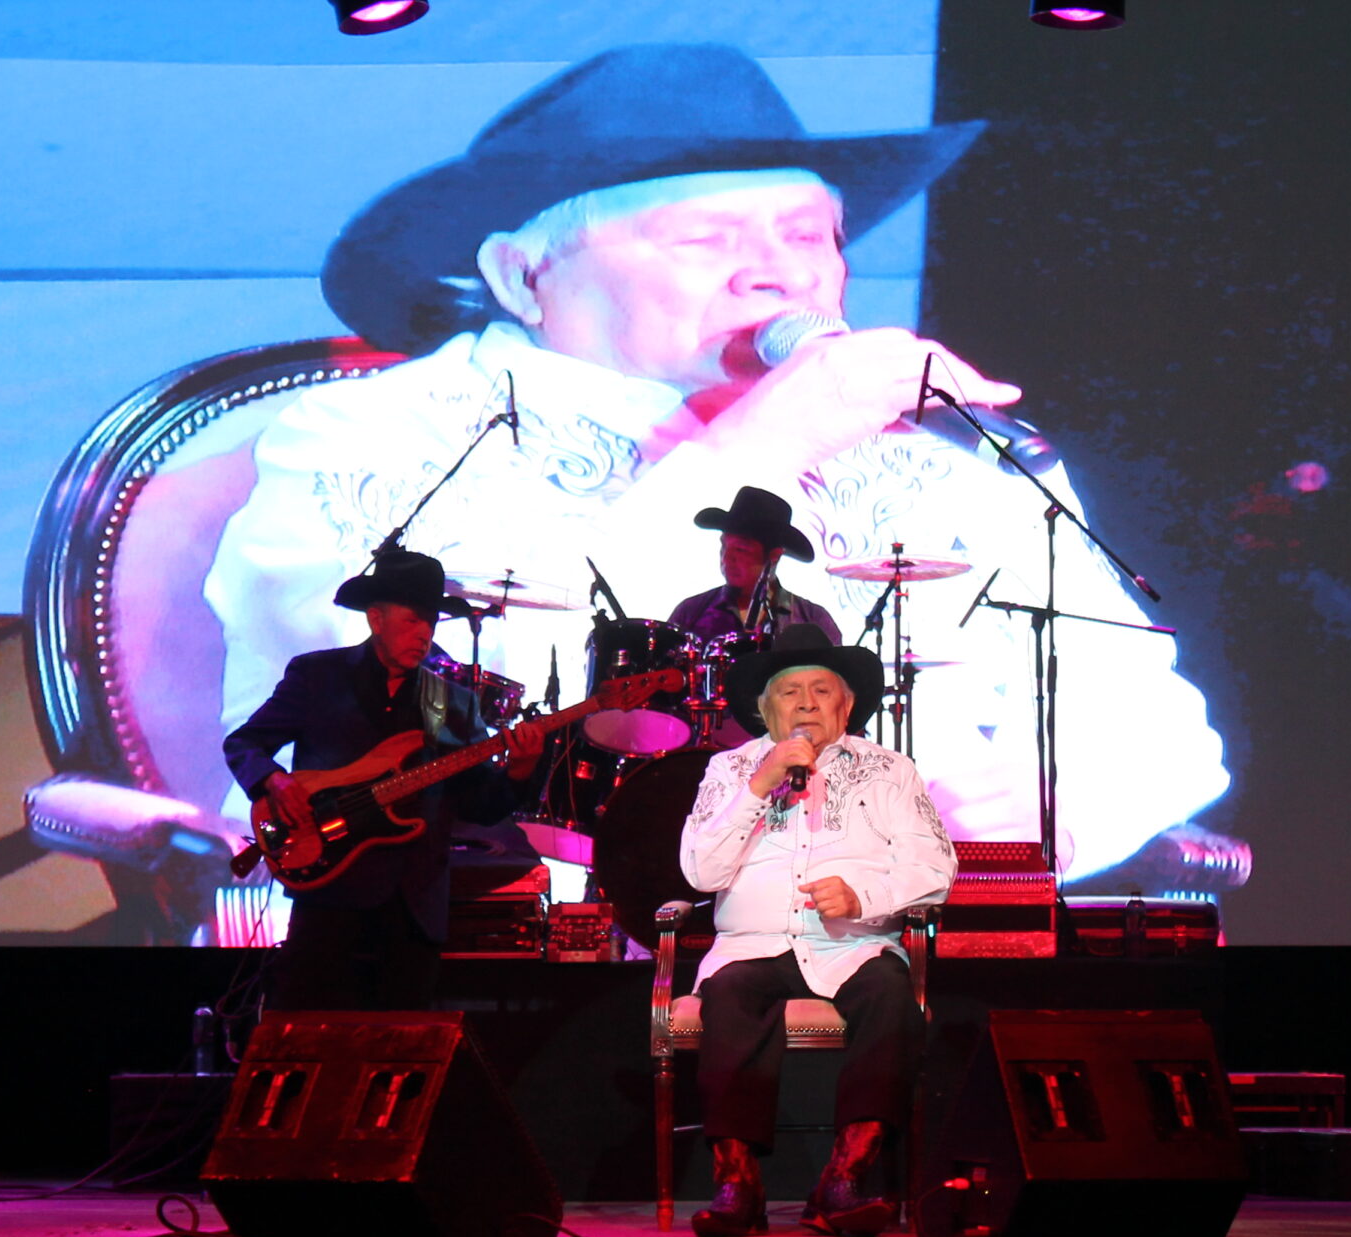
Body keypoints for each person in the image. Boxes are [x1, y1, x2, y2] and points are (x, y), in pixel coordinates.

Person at [202, 42, 1230, 881]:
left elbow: (1159, 720)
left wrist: (1034, 811)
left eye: (806, 233)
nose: (777, 274)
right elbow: (440, 715)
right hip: (489, 963)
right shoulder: (377, 439)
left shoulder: (930, 457)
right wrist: (761, 447)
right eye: (706, 239)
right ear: (521, 273)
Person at [677, 627, 956, 1237]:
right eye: (789, 692)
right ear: (763, 708)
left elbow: (935, 870)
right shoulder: (729, 770)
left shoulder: (890, 770)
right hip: (752, 946)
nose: (805, 703)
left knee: (892, 997)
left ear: (846, 705)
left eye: (821, 689)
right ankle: (737, 1185)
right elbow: (702, 872)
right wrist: (760, 783)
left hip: (852, 944)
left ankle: (844, 1178)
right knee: (728, 997)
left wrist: (864, 897)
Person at [225, 549, 544, 1011]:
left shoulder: (452, 701)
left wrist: (519, 770)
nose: (424, 634)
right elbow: (245, 745)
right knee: (308, 1042)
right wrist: (275, 782)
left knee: (397, 1052)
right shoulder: (318, 676)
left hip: (413, 910)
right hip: (329, 897)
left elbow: (479, 805)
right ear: (376, 618)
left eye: (430, 623)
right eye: (413, 620)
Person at [670, 485, 844, 750]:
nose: (727, 559)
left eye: (740, 550)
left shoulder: (812, 620)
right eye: (724, 547)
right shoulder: (692, 613)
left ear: (774, 556)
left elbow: (834, 703)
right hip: (705, 756)